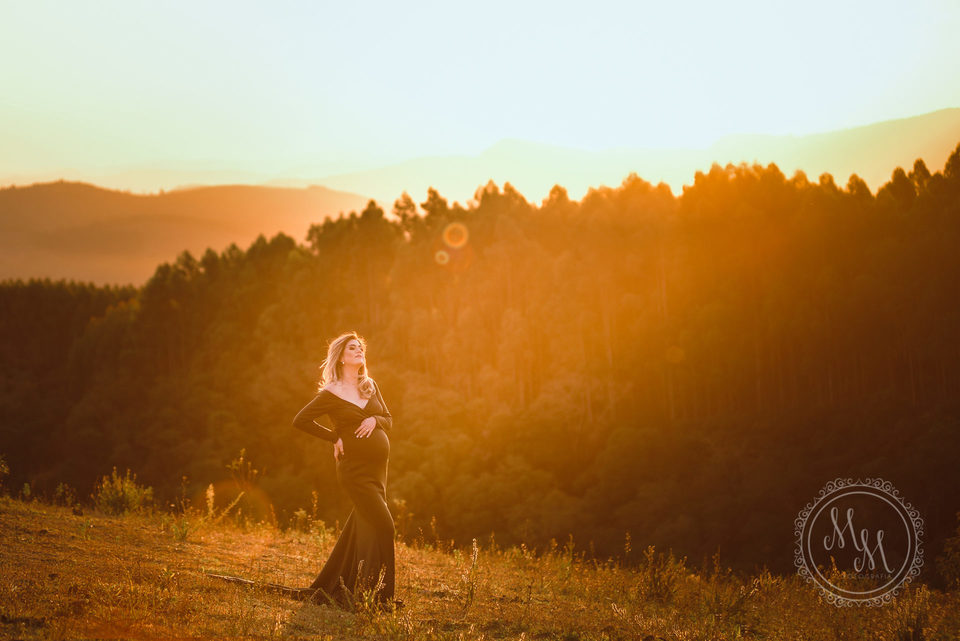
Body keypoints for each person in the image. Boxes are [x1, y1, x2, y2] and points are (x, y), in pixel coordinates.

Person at [291, 331, 401, 612]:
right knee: (385, 525)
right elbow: (301, 420)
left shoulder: (370, 386)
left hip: (378, 471)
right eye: (352, 348)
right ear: (340, 356)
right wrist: (334, 438)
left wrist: (375, 420)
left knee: (364, 527)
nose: (358, 351)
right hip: (354, 471)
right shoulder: (332, 392)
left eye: (361, 347)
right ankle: (381, 599)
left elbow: (388, 419)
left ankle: (354, 590)